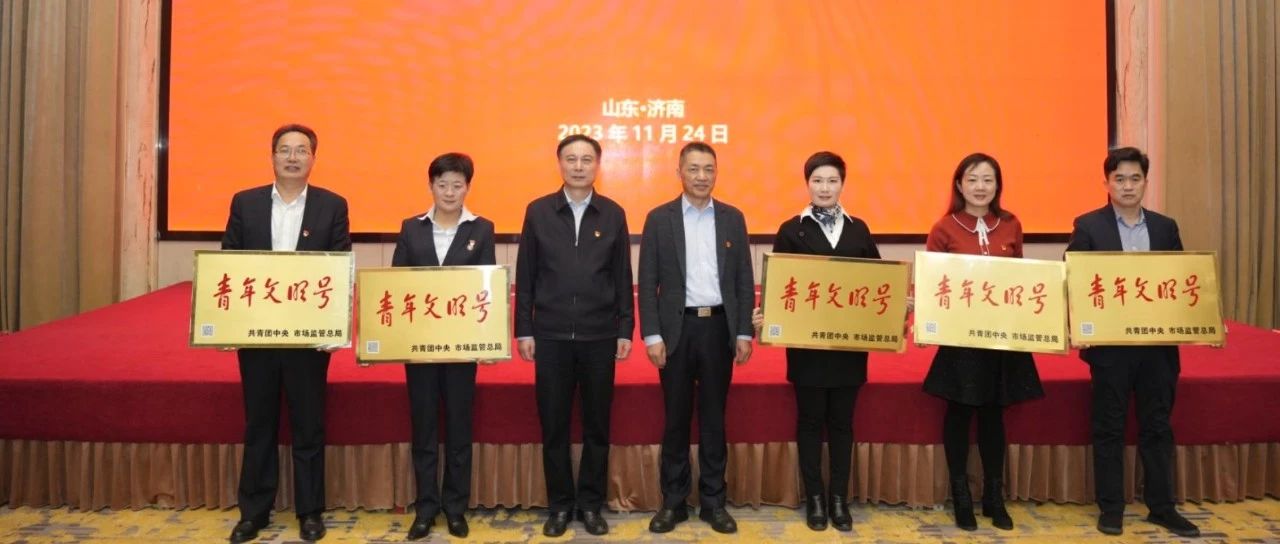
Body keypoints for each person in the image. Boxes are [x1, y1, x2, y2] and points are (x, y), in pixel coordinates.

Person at [222, 124, 351, 543]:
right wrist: (228, 323)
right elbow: (229, 264)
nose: (292, 157)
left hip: (307, 336)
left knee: (308, 425)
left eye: (301, 150)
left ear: (313, 158)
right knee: (259, 423)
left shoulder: (332, 205)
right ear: (273, 156)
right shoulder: (246, 202)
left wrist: (335, 327)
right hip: (257, 333)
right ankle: (254, 512)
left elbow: (339, 265)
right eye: (284, 150)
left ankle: (310, 511)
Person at [1065, 146, 1199, 538]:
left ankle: (1162, 507)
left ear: (1145, 182)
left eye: (1135, 178)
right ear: (1106, 183)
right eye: (1119, 179)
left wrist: (1199, 324)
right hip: (1111, 351)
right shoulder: (1088, 226)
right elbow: (1074, 280)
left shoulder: (1165, 227)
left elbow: (1180, 282)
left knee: (1158, 426)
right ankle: (1111, 509)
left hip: (1158, 349)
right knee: (1109, 427)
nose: (1127, 186)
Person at [748, 151, 879, 532]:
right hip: (807, 349)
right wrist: (765, 315)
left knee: (842, 423)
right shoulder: (792, 229)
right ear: (807, 184)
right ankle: (816, 499)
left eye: (832, 180)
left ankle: (839, 498)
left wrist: (896, 308)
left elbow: (878, 285)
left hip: (849, 347)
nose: (824, 188)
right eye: (817, 180)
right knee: (809, 421)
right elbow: (780, 287)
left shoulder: (859, 230)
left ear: (842, 184)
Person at [514, 134, 634, 537]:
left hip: (599, 336)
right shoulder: (538, 212)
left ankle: (591, 505)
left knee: (598, 427)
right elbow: (526, 276)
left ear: (597, 165)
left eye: (586, 159)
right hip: (550, 335)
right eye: (571, 159)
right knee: (554, 427)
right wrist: (524, 329)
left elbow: (622, 276)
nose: (578, 166)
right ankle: (561, 506)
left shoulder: (613, 213)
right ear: (559, 163)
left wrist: (625, 328)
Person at [921, 152, 1044, 532]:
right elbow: (934, 287)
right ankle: (961, 496)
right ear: (959, 185)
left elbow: (1020, 280)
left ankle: (994, 495)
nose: (980, 187)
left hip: (1001, 337)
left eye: (988, 179)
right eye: (972, 179)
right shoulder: (944, 228)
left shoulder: (1010, 224)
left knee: (994, 415)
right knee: (959, 414)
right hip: (961, 340)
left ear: (997, 186)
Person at [638, 142, 755, 535]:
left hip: (718, 329)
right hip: (676, 331)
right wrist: (652, 335)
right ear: (679, 172)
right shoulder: (659, 219)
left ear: (716, 173)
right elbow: (647, 282)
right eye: (694, 169)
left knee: (713, 419)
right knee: (675, 419)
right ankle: (673, 503)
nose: (701, 176)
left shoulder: (732, 218)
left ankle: (713, 502)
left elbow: (743, 280)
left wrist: (743, 331)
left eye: (708, 169)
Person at [391, 153, 496, 540]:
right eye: (442, 184)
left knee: (458, 429)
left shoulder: (481, 228)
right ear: (431, 186)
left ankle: (455, 508)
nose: (450, 192)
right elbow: (396, 284)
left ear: (468, 187)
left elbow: (487, 287)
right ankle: (425, 508)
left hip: (461, 348)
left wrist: (486, 340)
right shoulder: (411, 228)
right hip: (419, 347)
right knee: (423, 429)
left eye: (457, 185)